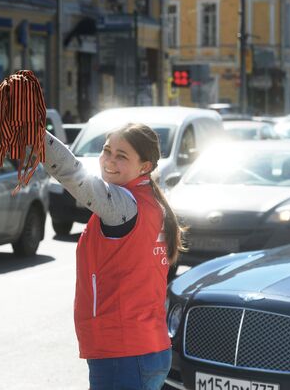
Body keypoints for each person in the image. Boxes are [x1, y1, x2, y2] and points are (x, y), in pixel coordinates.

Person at [42, 123, 184, 390]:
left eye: (122, 156)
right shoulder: (148, 201)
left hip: (123, 354)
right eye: (107, 150)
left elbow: (74, 176)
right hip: (145, 349)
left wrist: (33, 135)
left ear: (145, 166)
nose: (109, 160)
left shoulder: (125, 205)